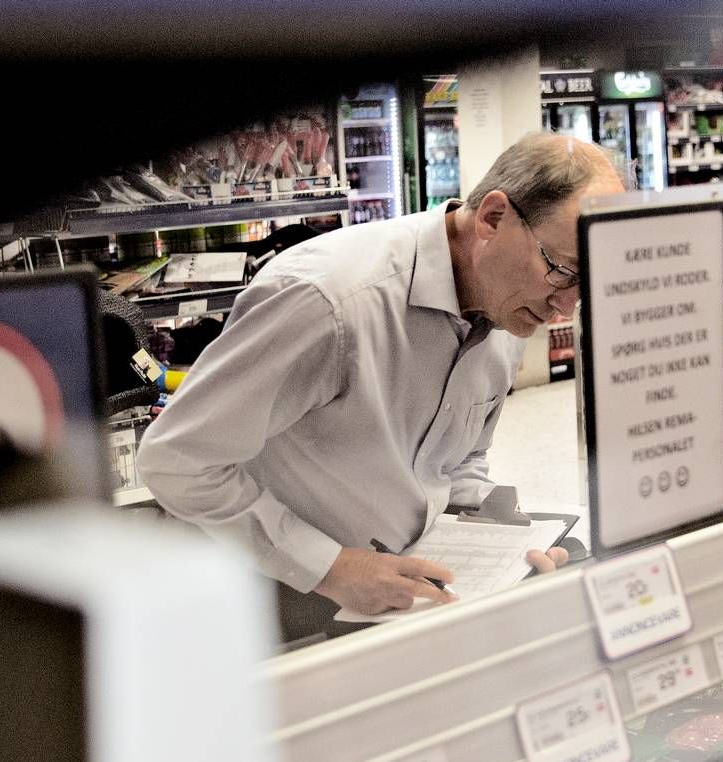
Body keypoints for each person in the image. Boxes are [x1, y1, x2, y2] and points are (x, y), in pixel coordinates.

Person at [136, 132, 624, 624]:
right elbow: (175, 460)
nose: (567, 306)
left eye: (586, 282)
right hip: (266, 604)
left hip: (398, 599)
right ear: (494, 218)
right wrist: (329, 568)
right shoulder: (327, 302)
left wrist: (503, 539)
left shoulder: (508, 306)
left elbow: (459, 459)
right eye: (563, 271)